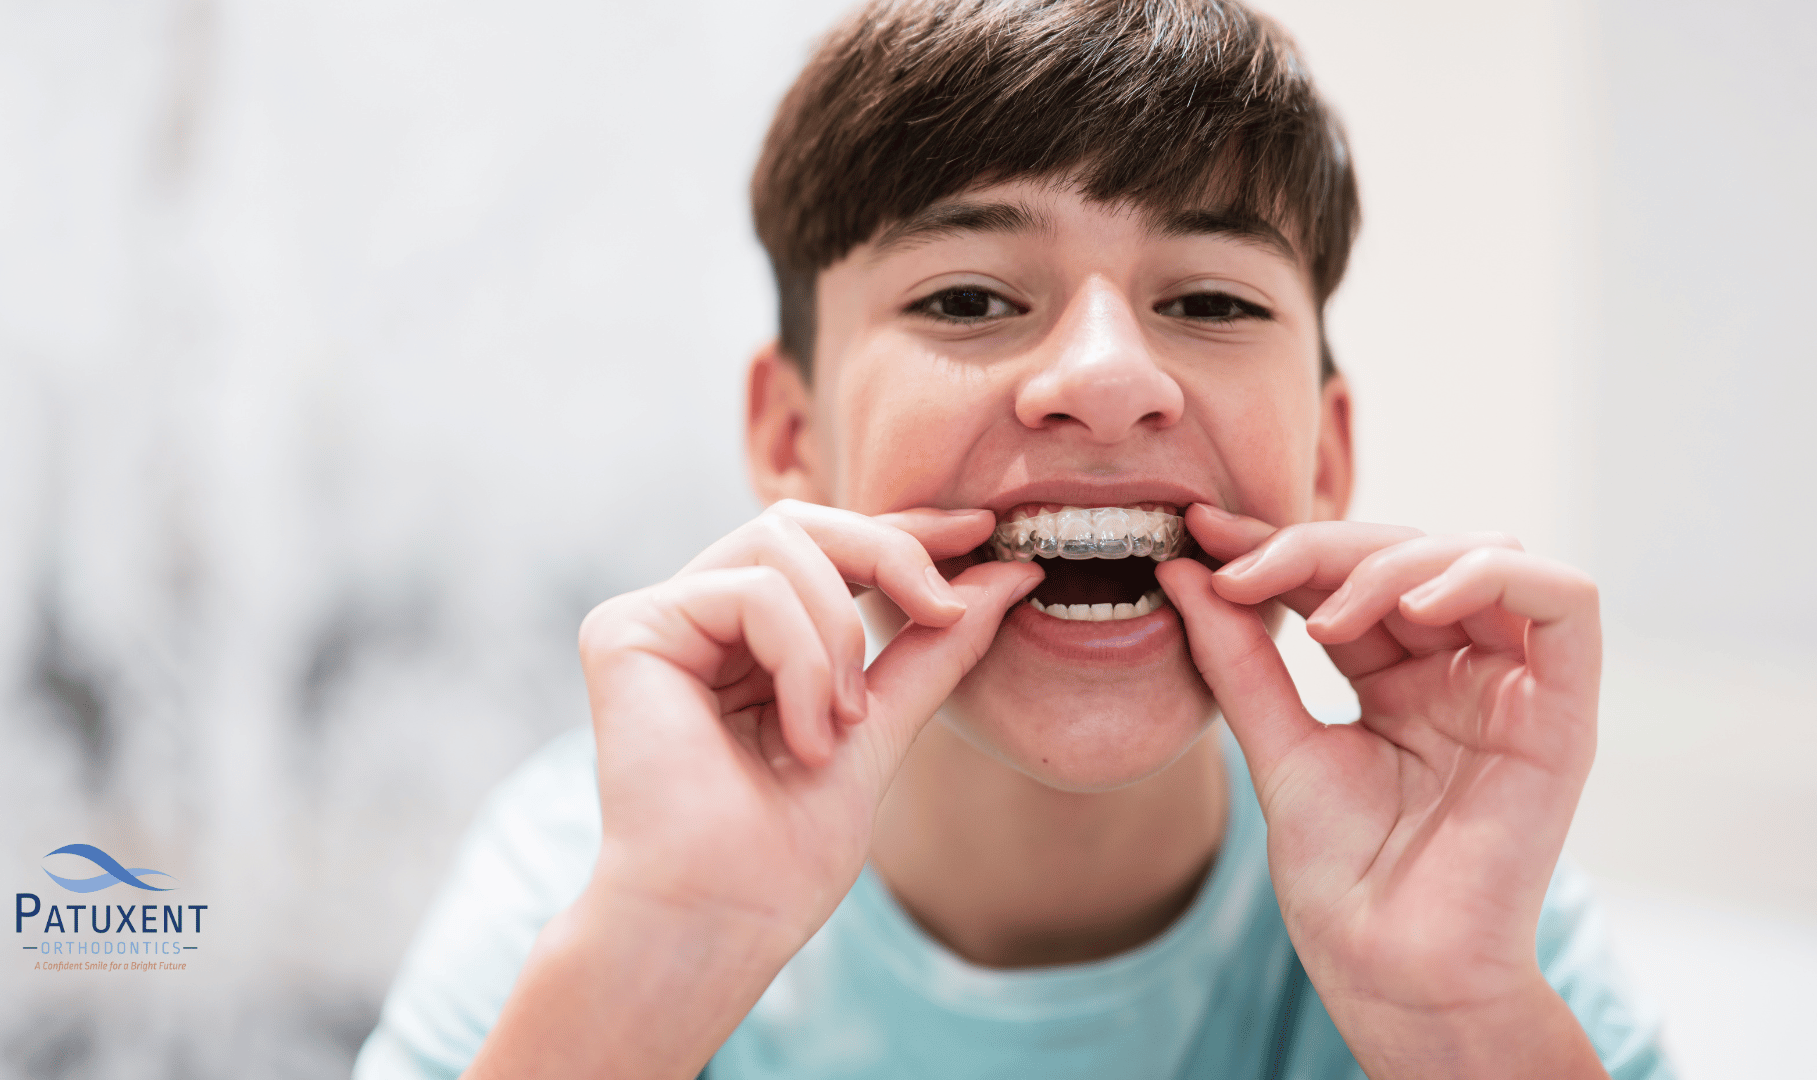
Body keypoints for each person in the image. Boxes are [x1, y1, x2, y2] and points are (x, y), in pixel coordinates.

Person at [356, 1, 1673, 1076]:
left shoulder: (1479, 919)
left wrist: (1456, 1023)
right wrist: (656, 966)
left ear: (1325, 457)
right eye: (972, 295)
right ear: (790, 436)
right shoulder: (590, 879)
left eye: (1208, 298)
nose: (1106, 376)